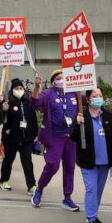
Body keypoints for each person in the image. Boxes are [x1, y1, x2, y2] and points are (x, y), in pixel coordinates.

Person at [69, 88, 112, 223]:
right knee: (91, 189)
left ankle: (94, 214)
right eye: (94, 96)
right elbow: (72, 138)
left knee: (98, 191)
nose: (98, 98)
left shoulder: (108, 117)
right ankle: (90, 221)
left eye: (100, 95)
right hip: (88, 161)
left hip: (105, 162)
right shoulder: (82, 116)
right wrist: (77, 124)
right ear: (88, 99)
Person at [29, 69, 80, 210]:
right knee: (53, 165)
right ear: (53, 80)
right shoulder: (48, 93)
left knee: (70, 167)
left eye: (64, 78)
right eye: (58, 78)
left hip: (71, 137)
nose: (61, 80)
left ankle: (67, 197)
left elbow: (87, 103)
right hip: (54, 137)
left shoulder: (74, 93)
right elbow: (33, 104)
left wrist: (86, 82)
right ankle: (39, 188)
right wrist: (37, 87)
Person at [0, 78, 38, 193]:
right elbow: (2, 119)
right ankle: (4, 181)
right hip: (11, 137)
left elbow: (33, 119)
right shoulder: (8, 104)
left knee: (27, 161)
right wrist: (3, 110)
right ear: (12, 91)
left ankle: (31, 185)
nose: (19, 90)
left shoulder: (28, 103)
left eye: (20, 88)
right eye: (16, 88)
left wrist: (35, 133)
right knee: (8, 160)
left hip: (26, 138)